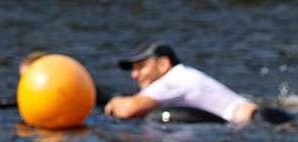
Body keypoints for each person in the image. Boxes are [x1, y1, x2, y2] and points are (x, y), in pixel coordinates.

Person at [104, 41, 258, 124]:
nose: (134, 75)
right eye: (133, 69)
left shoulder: (174, 79)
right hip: (254, 120)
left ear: (163, 64)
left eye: (141, 67)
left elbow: (128, 110)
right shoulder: (184, 74)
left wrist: (114, 102)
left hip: (254, 122)